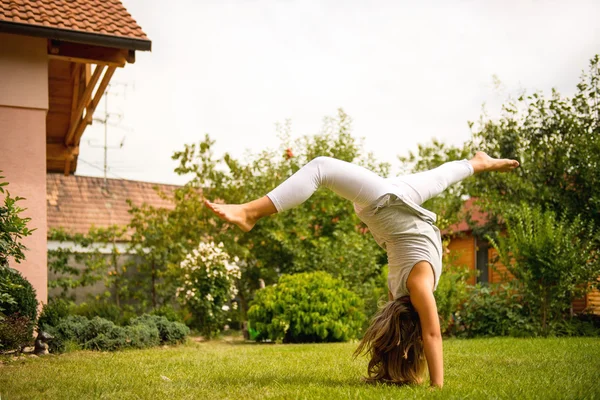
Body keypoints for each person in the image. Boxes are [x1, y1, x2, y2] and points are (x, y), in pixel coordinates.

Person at [204, 151, 519, 388]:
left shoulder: (415, 287)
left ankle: (250, 213)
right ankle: (479, 162)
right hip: (399, 203)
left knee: (321, 168)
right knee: (443, 175)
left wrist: (436, 383)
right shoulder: (406, 288)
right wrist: (437, 386)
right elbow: (431, 334)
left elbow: (432, 333)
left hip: (390, 205)